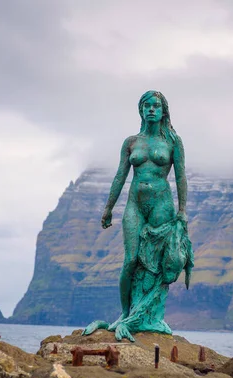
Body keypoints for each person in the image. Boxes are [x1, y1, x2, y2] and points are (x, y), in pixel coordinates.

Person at [82, 90, 193, 341]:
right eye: (147, 105)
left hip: (161, 204)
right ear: (141, 110)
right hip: (135, 204)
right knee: (131, 259)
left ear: (163, 111)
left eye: (156, 105)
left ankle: (150, 316)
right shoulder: (131, 142)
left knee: (155, 264)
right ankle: (125, 313)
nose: (151, 109)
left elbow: (181, 176)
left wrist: (183, 211)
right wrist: (108, 207)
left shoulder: (173, 141)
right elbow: (120, 175)